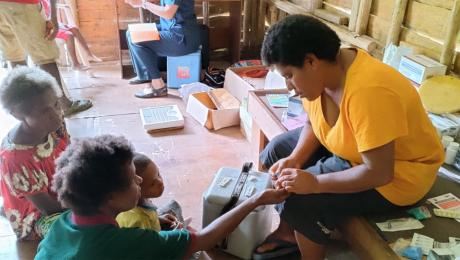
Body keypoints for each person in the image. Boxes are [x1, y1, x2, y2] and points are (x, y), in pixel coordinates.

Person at [253, 15, 444, 260]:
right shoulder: (321, 76)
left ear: (311, 61)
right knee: (277, 151)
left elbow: (378, 173)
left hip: (396, 175)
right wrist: (295, 158)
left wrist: (315, 183)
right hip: (353, 150)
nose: (288, 86)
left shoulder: (370, 92)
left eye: (289, 75)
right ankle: (289, 232)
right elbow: (314, 122)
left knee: (300, 201)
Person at [35, 135, 288, 259]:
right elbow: (203, 239)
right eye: (133, 178)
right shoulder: (125, 241)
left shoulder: (64, 222)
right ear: (111, 197)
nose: (140, 181)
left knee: (169, 211)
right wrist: (255, 200)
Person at [0, 67, 67, 240]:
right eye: (44, 111)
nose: (55, 114)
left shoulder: (54, 126)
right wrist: (91, 202)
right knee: (71, 229)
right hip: (38, 215)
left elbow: (72, 157)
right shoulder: (16, 157)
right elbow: (48, 209)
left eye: (56, 105)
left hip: (63, 192)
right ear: (18, 115)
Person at [0, 0, 92, 116]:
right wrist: (53, 16)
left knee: (15, 57)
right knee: (45, 57)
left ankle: (29, 111)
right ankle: (63, 105)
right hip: (24, 6)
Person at [125, 0, 201, 98]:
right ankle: (144, 76)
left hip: (181, 38)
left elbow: (168, 13)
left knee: (136, 39)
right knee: (131, 32)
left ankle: (158, 86)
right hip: (174, 30)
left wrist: (142, 3)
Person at [116, 152, 182, 231]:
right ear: (138, 189)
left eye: (158, 174)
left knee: (173, 209)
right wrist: (177, 233)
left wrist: (158, 219)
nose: (160, 182)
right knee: (175, 207)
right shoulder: (140, 221)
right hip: (152, 238)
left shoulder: (132, 202)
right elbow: (153, 242)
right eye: (152, 184)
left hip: (150, 224)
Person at [40, 0, 103, 71]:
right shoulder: (37, 3)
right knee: (69, 35)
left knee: (74, 29)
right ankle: (75, 64)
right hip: (46, 28)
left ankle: (89, 54)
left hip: (53, 23)